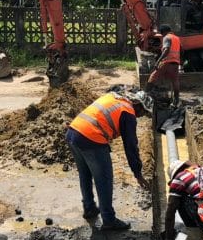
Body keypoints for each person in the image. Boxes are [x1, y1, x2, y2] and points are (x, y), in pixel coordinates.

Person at [65, 87, 152, 230]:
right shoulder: (128, 112)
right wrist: (137, 173)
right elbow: (131, 146)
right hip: (90, 138)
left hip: (73, 133)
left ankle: (89, 208)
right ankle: (109, 219)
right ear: (138, 105)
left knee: (85, 174)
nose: (141, 116)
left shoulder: (115, 98)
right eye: (143, 112)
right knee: (104, 179)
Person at [145, 24, 181, 107]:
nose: (162, 35)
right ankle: (176, 100)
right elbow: (181, 50)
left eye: (162, 33)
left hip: (167, 61)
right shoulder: (177, 38)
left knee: (153, 76)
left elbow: (166, 50)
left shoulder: (167, 37)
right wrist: (180, 61)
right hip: (175, 62)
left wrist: (158, 61)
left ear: (164, 32)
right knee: (175, 81)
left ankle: (146, 95)